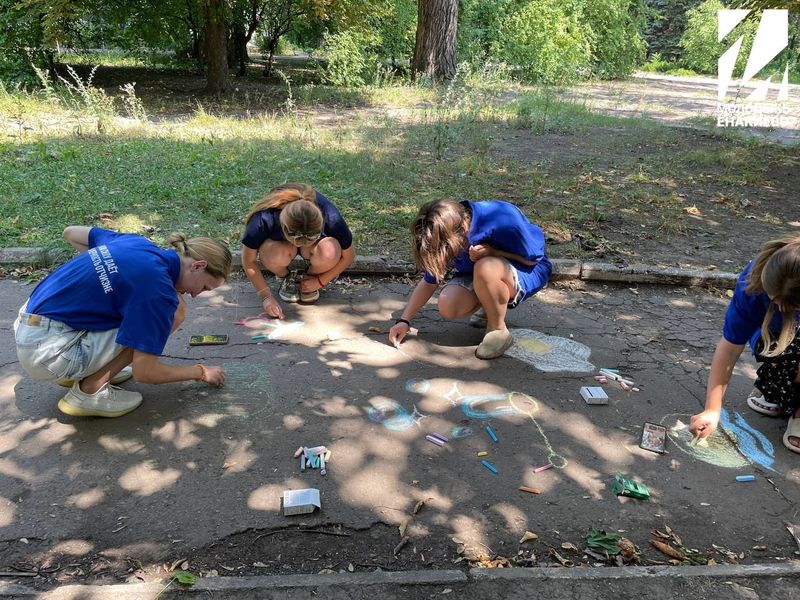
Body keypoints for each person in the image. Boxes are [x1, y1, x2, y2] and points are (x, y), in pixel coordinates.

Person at [13, 226, 231, 418]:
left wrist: (107, 276)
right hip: (50, 353)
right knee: (175, 310)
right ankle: (90, 390)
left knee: (146, 313)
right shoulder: (158, 292)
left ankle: (90, 370)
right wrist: (201, 371)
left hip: (30, 329)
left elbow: (71, 232)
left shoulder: (137, 243)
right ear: (198, 266)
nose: (196, 295)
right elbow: (146, 373)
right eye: (204, 288)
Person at [388, 198, 552, 359]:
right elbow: (429, 282)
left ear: (464, 229)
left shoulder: (501, 218)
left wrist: (493, 252)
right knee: (449, 303)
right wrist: (404, 321)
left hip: (528, 270)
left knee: (485, 266)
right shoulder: (446, 228)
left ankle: (498, 330)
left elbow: (533, 259)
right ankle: (490, 305)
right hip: (482, 273)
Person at [690, 236, 800, 455]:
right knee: (781, 350)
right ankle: (775, 389)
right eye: (775, 301)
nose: (781, 307)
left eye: (793, 305)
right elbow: (730, 348)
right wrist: (712, 409)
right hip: (773, 337)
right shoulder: (753, 283)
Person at [241, 183, 355, 318]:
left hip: (314, 251)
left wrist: (320, 281)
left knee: (329, 250)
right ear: (282, 226)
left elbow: (349, 255)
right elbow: (248, 261)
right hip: (281, 248)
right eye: (296, 240)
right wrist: (266, 297)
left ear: (321, 224)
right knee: (275, 254)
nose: (301, 244)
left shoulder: (332, 218)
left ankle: (310, 278)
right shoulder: (264, 218)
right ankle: (287, 278)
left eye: (309, 239)